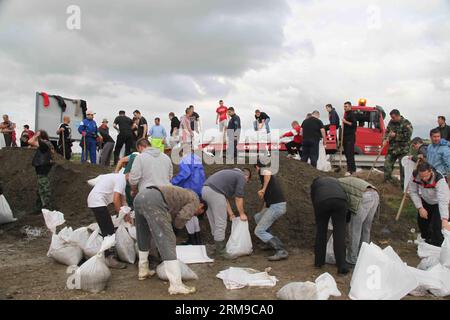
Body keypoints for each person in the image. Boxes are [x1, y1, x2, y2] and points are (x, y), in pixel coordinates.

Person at [134, 185, 207, 294]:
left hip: (140, 197)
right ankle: (176, 285)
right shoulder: (195, 200)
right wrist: (175, 230)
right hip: (154, 200)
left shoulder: (184, 194)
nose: (195, 214)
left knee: (143, 233)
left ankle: (143, 270)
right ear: (201, 205)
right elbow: (182, 217)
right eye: (199, 213)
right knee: (167, 240)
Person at [201, 168, 251, 259]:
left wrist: (231, 214)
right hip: (215, 193)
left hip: (205, 190)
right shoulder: (241, 177)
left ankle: (216, 247)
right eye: (247, 181)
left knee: (214, 222)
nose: (245, 183)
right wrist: (242, 214)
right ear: (246, 177)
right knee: (221, 223)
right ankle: (221, 252)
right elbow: (238, 198)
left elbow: (224, 198)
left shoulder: (230, 174)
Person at [87, 173, 128, 269]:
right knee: (109, 230)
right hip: (97, 202)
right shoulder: (121, 179)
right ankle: (110, 259)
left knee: (107, 228)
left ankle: (109, 255)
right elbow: (116, 199)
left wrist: (125, 214)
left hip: (95, 200)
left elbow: (122, 200)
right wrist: (121, 214)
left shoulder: (118, 177)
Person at [310, 176, 349, 275]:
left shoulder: (315, 184)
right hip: (341, 201)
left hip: (322, 202)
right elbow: (344, 194)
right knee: (339, 233)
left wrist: (318, 217)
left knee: (321, 231)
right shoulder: (336, 181)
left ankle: (319, 262)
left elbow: (314, 199)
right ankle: (342, 266)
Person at [338, 177, 379, 265]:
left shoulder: (337, 185)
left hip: (365, 197)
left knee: (355, 229)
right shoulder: (344, 181)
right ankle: (364, 255)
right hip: (375, 194)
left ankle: (352, 258)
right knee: (366, 228)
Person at [409, 162, 450, 246]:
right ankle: (426, 240)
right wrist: (420, 208)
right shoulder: (415, 175)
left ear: (430, 171)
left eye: (426, 176)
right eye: (421, 176)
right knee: (422, 222)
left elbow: (443, 200)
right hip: (425, 200)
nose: (424, 179)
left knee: (437, 226)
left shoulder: (439, 180)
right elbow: (413, 192)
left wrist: (444, 219)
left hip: (438, 202)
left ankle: (438, 245)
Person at [254, 160, 288, 261]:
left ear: (257, 167)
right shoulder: (266, 180)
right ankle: (269, 243)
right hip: (272, 206)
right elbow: (266, 200)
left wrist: (263, 189)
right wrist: (262, 211)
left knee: (259, 231)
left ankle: (281, 250)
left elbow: (267, 173)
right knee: (258, 217)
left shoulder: (265, 172)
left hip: (277, 206)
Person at [171, 150, 206, 245]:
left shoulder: (185, 159)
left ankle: (192, 239)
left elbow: (185, 174)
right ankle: (197, 239)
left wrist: (173, 182)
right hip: (199, 188)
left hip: (190, 187)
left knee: (188, 214)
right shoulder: (197, 160)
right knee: (194, 214)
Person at [382, 109, 413, 187]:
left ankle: (403, 186)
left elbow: (407, 136)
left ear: (398, 116)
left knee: (403, 169)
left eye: (393, 117)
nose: (392, 119)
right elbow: (387, 132)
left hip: (403, 150)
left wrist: (395, 135)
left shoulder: (406, 123)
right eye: (391, 117)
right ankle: (388, 183)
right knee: (387, 165)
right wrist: (385, 139)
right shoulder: (391, 122)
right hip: (392, 149)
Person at [28, 130, 54, 214]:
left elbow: (30, 141)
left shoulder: (44, 143)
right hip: (43, 167)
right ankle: (39, 208)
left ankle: (47, 208)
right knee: (40, 189)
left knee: (44, 188)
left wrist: (36, 135)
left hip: (42, 168)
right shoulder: (46, 144)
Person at [342, 101, 357, 176]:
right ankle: (352, 169)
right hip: (345, 137)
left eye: (346, 106)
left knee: (349, 154)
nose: (345, 108)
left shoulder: (352, 114)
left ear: (350, 107)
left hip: (350, 137)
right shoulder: (346, 114)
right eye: (344, 106)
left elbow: (354, 124)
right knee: (347, 154)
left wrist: (345, 122)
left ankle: (350, 170)